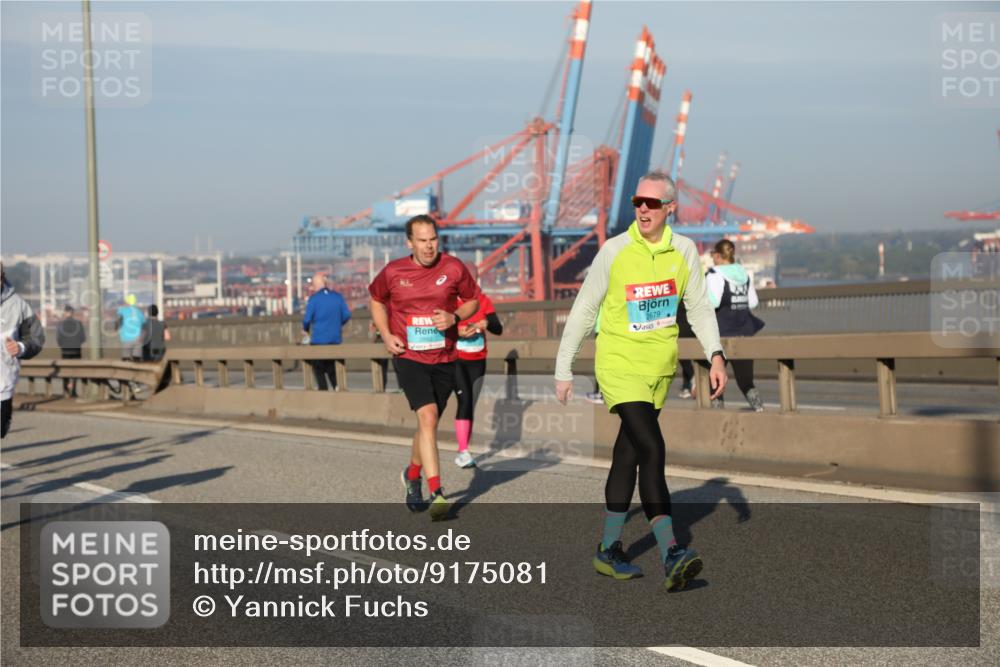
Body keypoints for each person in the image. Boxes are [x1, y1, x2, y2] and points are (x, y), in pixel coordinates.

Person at [554, 171, 727, 591]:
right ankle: (672, 552)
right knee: (652, 446)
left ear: (670, 208)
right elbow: (583, 310)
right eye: (638, 202)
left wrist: (716, 354)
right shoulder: (614, 251)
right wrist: (564, 368)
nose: (643, 209)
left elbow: (699, 308)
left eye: (652, 203)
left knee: (628, 455)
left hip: (658, 372)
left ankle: (608, 549)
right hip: (618, 366)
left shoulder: (683, 251)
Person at [368, 215, 478, 520]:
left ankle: (412, 475)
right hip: (408, 355)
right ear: (410, 243)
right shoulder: (393, 271)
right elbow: (376, 300)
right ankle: (438, 494)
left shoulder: (454, 267)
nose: (429, 247)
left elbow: (471, 301)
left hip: (444, 357)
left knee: (427, 424)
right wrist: (386, 334)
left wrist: (455, 317)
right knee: (427, 416)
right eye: (422, 240)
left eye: (433, 239)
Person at [705, 239, 765, 412]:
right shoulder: (743, 273)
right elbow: (753, 302)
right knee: (746, 381)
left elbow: (713, 302)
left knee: (716, 380)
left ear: (717, 255)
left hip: (720, 335)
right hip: (744, 333)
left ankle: (716, 417)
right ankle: (760, 409)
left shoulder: (714, 275)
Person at [453, 262, 503, 468]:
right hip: (456, 359)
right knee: (464, 401)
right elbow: (441, 327)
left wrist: (486, 324)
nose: (470, 281)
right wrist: (458, 332)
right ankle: (463, 451)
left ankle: (464, 448)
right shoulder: (451, 301)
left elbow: (498, 328)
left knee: (470, 403)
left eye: (473, 277)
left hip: (478, 359)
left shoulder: (483, 301)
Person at [1, 265, 45, 438]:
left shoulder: (18, 306)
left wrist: (20, 347)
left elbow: (36, 338)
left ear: (2, 277)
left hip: (3, 382)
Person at [302, 273, 352, 391]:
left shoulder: (314, 299)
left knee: (319, 371)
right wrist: (337, 325)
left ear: (315, 285)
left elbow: (307, 320)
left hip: (318, 341)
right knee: (334, 371)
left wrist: (305, 330)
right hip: (335, 340)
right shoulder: (337, 297)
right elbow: (346, 315)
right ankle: (338, 391)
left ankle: (323, 393)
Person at [56, 304, 86, 396]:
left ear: (66, 312)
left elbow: (59, 339)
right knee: (75, 371)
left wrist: (63, 346)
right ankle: (73, 391)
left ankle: (66, 390)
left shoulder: (61, 324)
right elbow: (83, 338)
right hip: (76, 351)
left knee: (65, 371)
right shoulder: (79, 323)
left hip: (65, 351)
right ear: (72, 313)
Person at [116, 294, 145, 361]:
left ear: (127, 302)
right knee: (137, 358)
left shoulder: (122, 310)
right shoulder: (139, 312)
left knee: (126, 357)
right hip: (138, 338)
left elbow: (118, 318)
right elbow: (143, 323)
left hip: (126, 337)